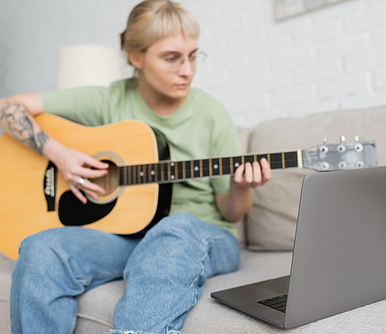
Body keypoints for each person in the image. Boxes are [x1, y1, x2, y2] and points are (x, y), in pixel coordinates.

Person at [0, 1, 272, 333]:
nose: (187, 70)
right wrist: (60, 154)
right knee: (40, 247)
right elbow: (8, 107)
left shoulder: (211, 113)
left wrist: (241, 186)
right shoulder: (109, 100)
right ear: (135, 57)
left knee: (174, 229)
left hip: (200, 234)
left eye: (192, 56)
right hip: (127, 235)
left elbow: (231, 214)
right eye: (172, 58)